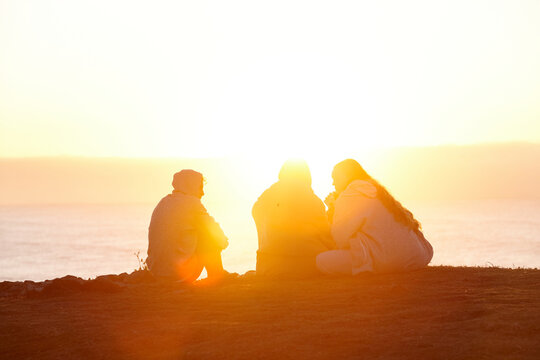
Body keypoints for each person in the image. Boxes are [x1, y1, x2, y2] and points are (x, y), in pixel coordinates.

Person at [316, 159, 433, 275]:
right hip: (415, 256)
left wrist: (333, 208)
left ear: (346, 176)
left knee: (321, 260)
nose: (333, 183)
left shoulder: (350, 194)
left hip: (388, 260)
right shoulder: (377, 191)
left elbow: (340, 238)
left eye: (335, 178)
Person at [252, 160, 334, 277]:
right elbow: (327, 237)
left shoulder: (261, 202)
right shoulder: (311, 199)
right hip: (305, 265)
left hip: (267, 268)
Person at [146, 170, 231, 283]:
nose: (203, 193)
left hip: (156, 273)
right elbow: (214, 230)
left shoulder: (163, 202)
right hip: (179, 274)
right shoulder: (192, 203)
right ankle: (217, 275)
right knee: (208, 233)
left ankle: (218, 274)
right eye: (200, 187)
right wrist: (223, 242)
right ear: (191, 185)